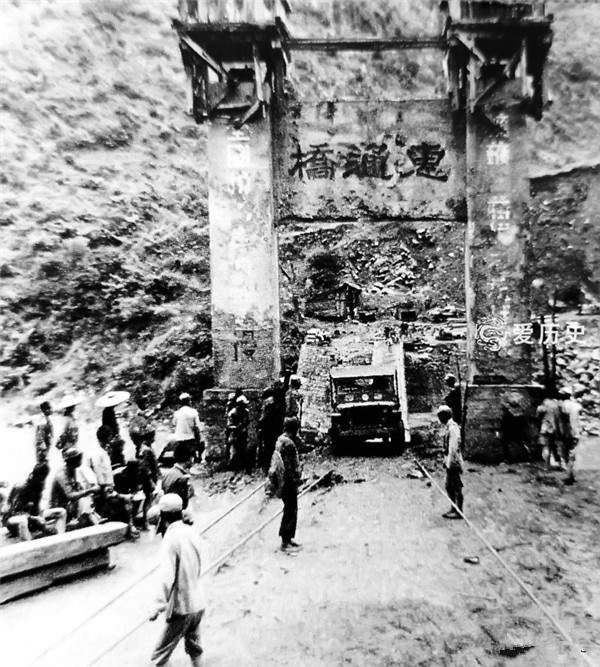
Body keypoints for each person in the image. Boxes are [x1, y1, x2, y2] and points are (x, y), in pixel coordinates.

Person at [149, 493, 205, 667]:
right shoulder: (191, 532)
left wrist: (157, 606)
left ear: (163, 517)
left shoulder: (171, 538)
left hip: (182, 607)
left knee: (159, 656)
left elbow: (166, 576)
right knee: (195, 648)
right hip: (198, 602)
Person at [85, 425, 139, 538]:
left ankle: (129, 526)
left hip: (105, 487)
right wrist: (116, 494)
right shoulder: (98, 453)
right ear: (108, 437)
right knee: (127, 500)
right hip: (102, 490)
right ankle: (130, 527)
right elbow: (99, 476)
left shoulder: (99, 450)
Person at [2, 463, 66, 541]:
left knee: (61, 512)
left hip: (30, 517)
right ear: (35, 475)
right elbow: (13, 512)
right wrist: (35, 519)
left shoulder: (39, 484)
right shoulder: (21, 487)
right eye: (41, 478)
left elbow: (36, 508)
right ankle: (29, 544)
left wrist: (42, 524)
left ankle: (60, 540)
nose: (42, 481)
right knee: (22, 520)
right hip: (11, 519)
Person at [49, 447, 100, 529]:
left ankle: (92, 517)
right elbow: (70, 495)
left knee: (87, 498)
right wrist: (90, 490)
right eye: (78, 457)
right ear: (72, 460)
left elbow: (78, 489)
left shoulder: (73, 470)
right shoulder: (61, 474)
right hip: (60, 507)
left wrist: (90, 489)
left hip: (70, 506)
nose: (80, 459)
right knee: (83, 499)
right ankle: (92, 519)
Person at [276, 417, 302, 551]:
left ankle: (287, 539)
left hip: (281, 480)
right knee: (291, 509)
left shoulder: (280, 440)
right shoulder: (289, 444)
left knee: (289, 509)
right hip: (288, 481)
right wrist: (295, 479)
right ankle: (285, 541)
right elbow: (288, 466)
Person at [437, 405, 464, 519]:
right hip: (450, 461)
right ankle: (454, 508)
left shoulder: (453, 428)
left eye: (439, 416)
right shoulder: (449, 427)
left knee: (455, 486)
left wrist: (451, 463)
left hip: (453, 462)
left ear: (444, 416)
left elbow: (453, 448)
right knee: (449, 486)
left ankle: (459, 511)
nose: (439, 418)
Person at [136, 429, 161, 529]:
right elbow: (145, 467)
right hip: (148, 478)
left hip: (151, 477)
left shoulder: (146, 448)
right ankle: (146, 522)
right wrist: (151, 481)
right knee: (149, 499)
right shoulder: (146, 450)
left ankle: (147, 520)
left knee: (150, 499)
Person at [161, 443, 194, 511]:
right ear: (189, 460)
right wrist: (189, 494)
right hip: (175, 511)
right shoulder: (182, 478)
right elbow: (183, 505)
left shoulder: (165, 474)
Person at [559, 387, 581, 485]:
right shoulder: (576, 406)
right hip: (575, 432)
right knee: (573, 454)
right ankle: (572, 475)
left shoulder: (560, 406)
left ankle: (569, 474)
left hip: (564, 432)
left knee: (566, 454)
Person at [173, 393, 204, 464]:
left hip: (178, 439)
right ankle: (198, 457)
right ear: (189, 401)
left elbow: (174, 424)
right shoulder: (193, 412)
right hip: (190, 439)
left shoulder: (177, 413)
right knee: (201, 443)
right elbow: (198, 427)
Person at [536, 390, 562, 469]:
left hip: (545, 428)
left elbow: (537, 417)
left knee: (546, 447)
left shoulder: (542, 405)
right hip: (554, 428)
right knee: (554, 446)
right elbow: (558, 417)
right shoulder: (556, 405)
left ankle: (547, 465)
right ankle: (559, 464)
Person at [257, 388, 279, 473]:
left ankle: (264, 465)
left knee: (265, 446)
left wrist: (260, 425)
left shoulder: (267, 402)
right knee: (270, 446)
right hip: (273, 426)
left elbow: (263, 416)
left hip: (267, 426)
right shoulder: (275, 401)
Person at [226, 395, 250, 472]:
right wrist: (236, 427)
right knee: (233, 451)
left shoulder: (246, 412)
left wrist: (244, 428)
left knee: (243, 450)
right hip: (234, 434)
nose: (245, 406)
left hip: (242, 434)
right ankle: (232, 466)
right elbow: (229, 425)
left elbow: (247, 422)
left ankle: (242, 466)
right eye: (244, 404)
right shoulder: (232, 413)